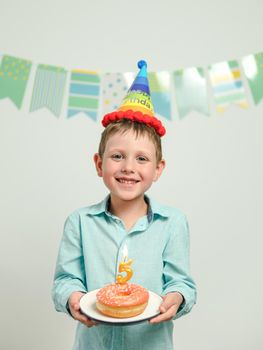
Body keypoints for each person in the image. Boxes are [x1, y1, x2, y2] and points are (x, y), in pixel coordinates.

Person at [52, 60, 197, 350]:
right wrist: (73, 298)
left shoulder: (173, 223)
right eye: (117, 156)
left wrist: (177, 299)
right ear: (99, 163)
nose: (128, 167)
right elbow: (65, 280)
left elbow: (181, 283)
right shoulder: (79, 222)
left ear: (158, 169)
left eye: (141, 159)